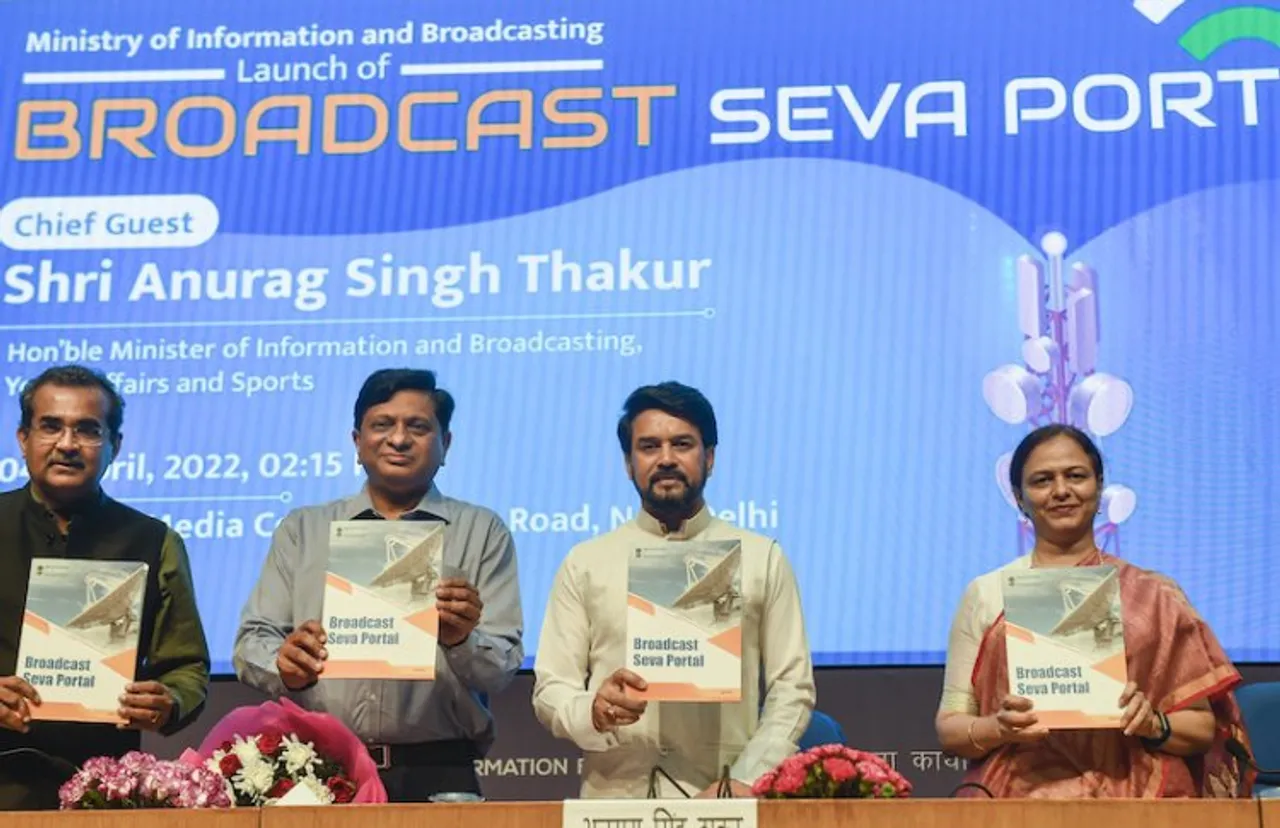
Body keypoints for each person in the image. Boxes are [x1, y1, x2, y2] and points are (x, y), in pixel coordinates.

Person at [233, 368, 523, 801]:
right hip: (318, 768)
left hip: (439, 770)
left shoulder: (482, 530)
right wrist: (284, 666)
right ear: (356, 442)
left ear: (447, 444)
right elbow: (250, 644)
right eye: (382, 425)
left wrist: (460, 639)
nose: (399, 439)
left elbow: (500, 669)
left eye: (419, 427)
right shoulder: (304, 530)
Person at [935, 423, 1251, 798]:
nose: (1061, 490)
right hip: (1019, 802)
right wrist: (999, 728)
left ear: (1099, 488)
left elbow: (1200, 728)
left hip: (1143, 804)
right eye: (1042, 480)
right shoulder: (986, 594)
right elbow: (951, 726)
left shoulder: (1155, 594)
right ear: (1019, 498)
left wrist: (1154, 723)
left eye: (1076, 476)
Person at [533, 381, 814, 798]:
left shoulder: (762, 557)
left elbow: (793, 688)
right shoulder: (586, 562)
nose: (666, 459)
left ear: (710, 457)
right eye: (648, 447)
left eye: (682, 444)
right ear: (629, 463)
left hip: (723, 799)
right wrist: (593, 710)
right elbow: (550, 689)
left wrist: (745, 779)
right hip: (614, 801)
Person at [0, 365, 211, 810]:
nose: (67, 444)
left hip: (107, 796)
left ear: (115, 446)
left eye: (88, 430)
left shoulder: (155, 541)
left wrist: (169, 700)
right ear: (23, 438)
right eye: (50, 426)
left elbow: (187, 668)